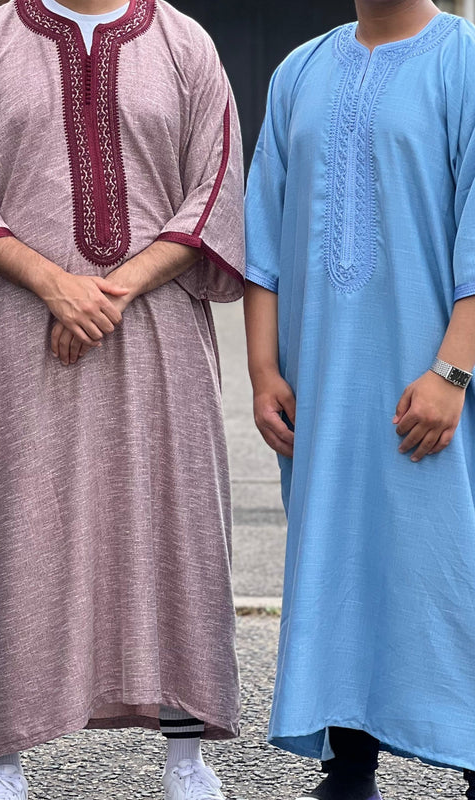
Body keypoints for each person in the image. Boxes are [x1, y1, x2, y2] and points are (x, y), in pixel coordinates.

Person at [0, 0, 245, 797]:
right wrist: (56, 286)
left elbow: (215, 189)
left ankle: (184, 754)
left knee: (172, 523)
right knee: (12, 528)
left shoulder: (184, 42)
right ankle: (2, 757)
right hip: (19, 338)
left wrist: (111, 291)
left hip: (161, 334)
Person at [244, 0, 475, 798]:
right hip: (322, 385)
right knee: (339, 552)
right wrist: (263, 370)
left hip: (438, 384)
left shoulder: (464, 60)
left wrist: (452, 372)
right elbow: (262, 237)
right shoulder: (298, 69)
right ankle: (349, 762)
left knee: (448, 559)